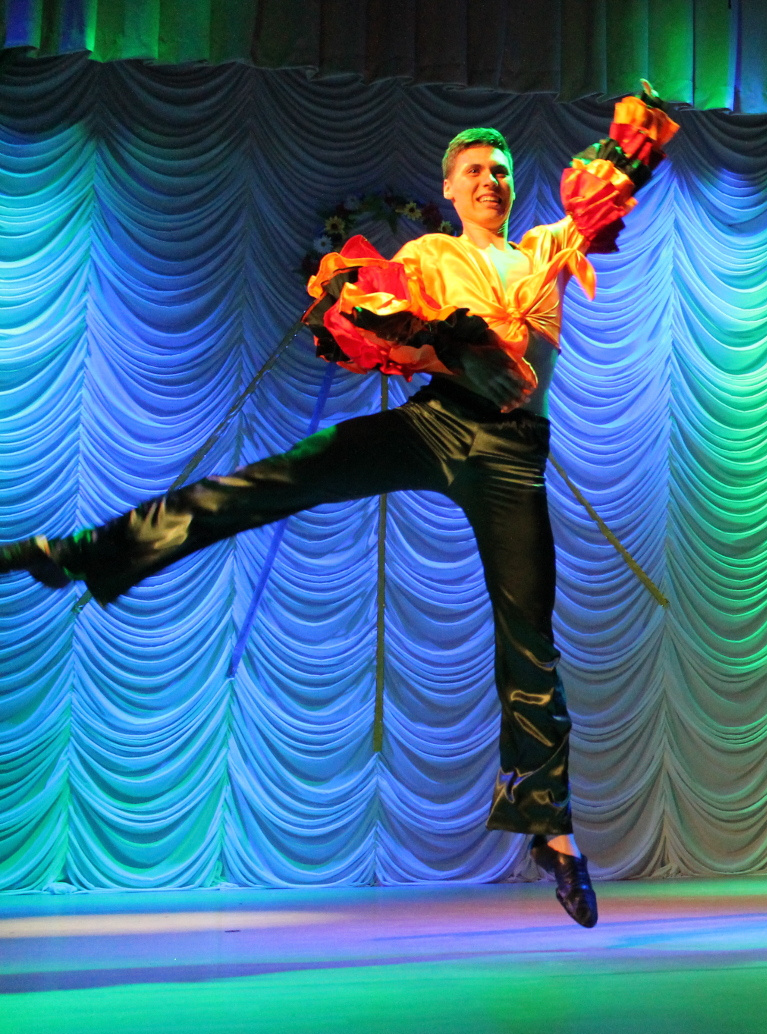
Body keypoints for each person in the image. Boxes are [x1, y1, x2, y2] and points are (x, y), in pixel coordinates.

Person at [0, 81, 680, 929]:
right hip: (435, 423)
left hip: (512, 452)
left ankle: (552, 828)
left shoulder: (545, 247)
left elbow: (605, 191)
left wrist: (635, 139)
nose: (490, 181)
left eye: (501, 169)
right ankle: (86, 554)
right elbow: (378, 319)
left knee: (530, 638)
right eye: (474, 170)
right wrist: (433, 337)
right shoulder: (428, 256)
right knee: (273, 481)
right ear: (449, 187)